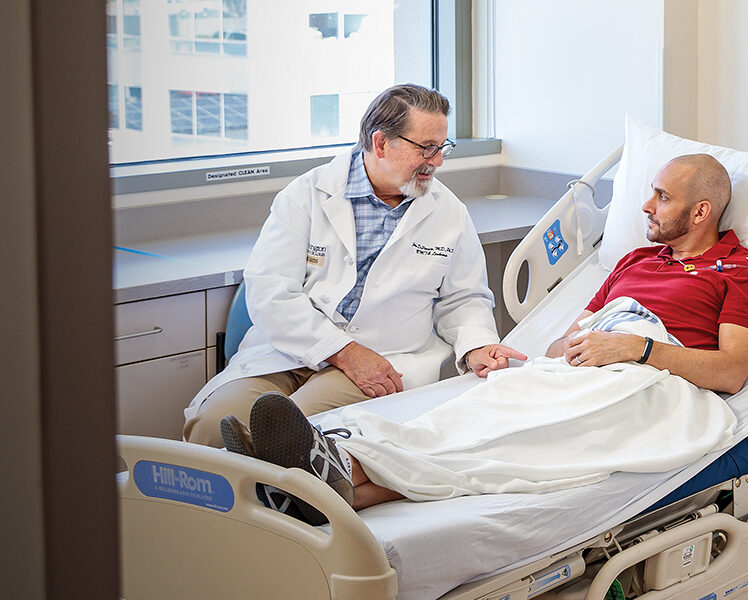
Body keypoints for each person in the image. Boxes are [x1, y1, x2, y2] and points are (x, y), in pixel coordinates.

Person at [224, 153, 748, 523]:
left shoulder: (741, 271)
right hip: (583, 373)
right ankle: (334, 481)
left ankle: (329, 468)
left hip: (655, 389)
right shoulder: (634, 259)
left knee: (514, 438)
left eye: (660, 197)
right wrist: (570, 351)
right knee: (480, 417)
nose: (645, 206)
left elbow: (730, 372)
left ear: (701, 211)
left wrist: (635, 348)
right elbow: (567, 340)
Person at [182, 84, 526, 447]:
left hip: (382, 358)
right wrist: (343, 351)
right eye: (426, 148)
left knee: (289, 432)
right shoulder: (306, 195)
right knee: (212, 426)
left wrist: (476, 345)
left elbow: (464, 298)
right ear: (380, 143)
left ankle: (266, 501)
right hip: (288, 351)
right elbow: (270, 291)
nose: (437, 161)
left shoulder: (448, 212)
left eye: (442, 148)